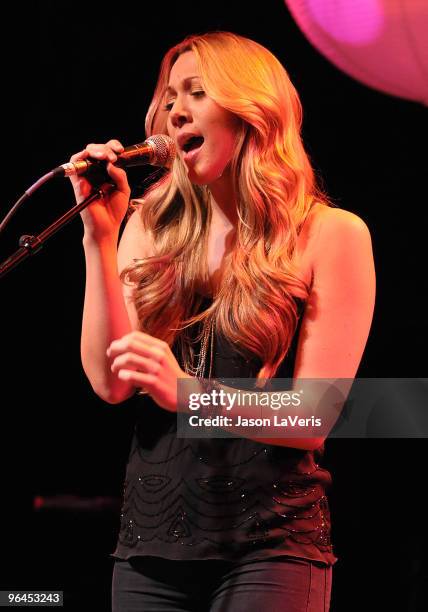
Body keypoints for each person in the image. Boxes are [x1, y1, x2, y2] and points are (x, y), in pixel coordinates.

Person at [69, 31, 375, 611]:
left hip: (271, 549)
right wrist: (99, 239)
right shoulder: (149, 228)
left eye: (197, 92)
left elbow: (315, 414)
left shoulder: (330, 235)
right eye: (168, 96)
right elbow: (111, 384)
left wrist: (187, 394)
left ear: (251, 110)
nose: (174, 109)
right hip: (148, 549)